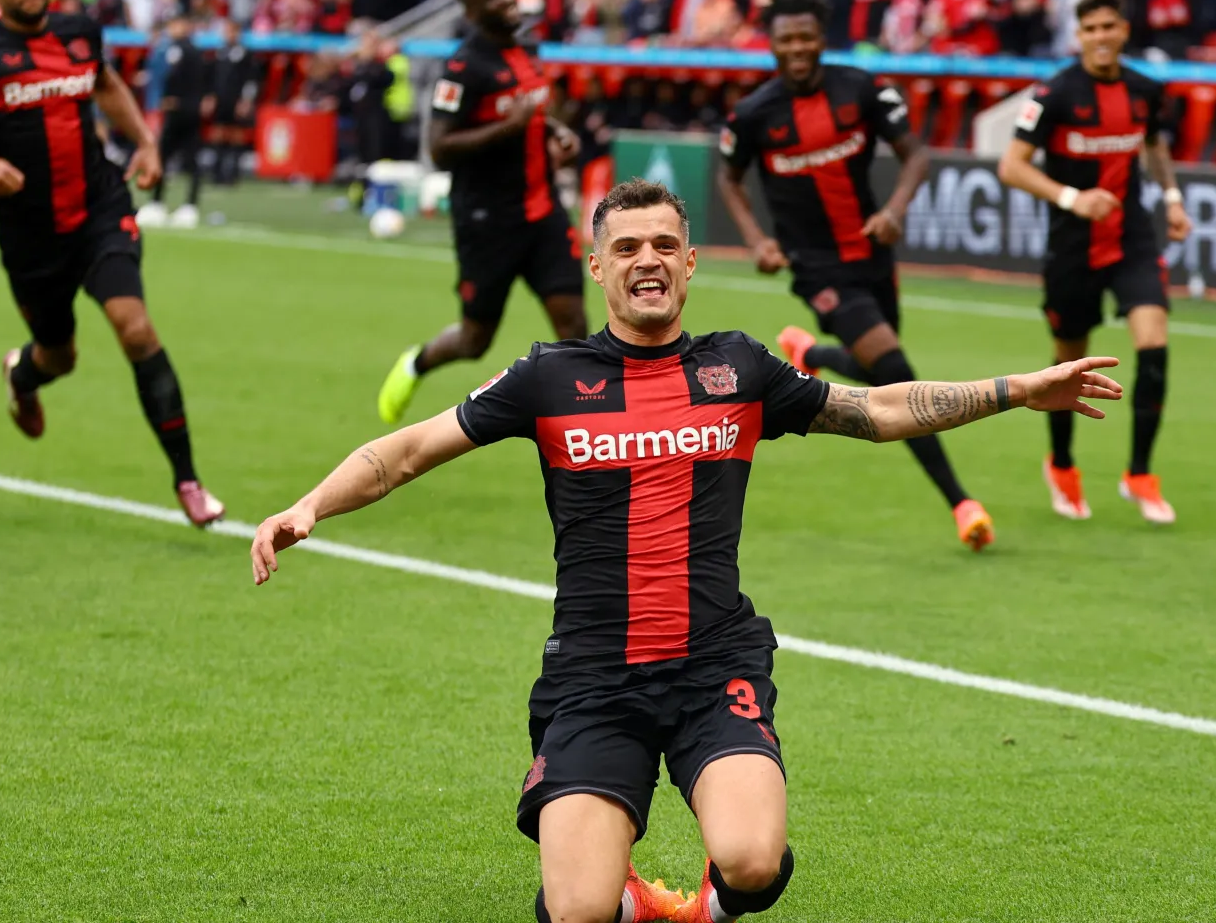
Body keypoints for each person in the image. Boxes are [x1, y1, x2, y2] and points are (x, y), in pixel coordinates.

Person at [249, 179, 1124, 923]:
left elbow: (879, 411)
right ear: (598, 268)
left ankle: (701, 908)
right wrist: (309, 506)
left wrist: (1017, 390)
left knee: (751, 860)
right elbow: (402, 452)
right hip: (593, 673)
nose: (647, 261)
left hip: (714, 662)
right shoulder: (547, 379)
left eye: (665, 244)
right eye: (626, 247)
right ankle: (618, 890)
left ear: (690, 262)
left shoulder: (740, 369)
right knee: (581, 910)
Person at [0, 0, 225, 528]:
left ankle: (189, 480)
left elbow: (106, 88)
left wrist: (147, 145)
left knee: (136, 328)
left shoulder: (80, 34)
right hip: (29, 235)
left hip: (99, 209)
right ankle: (22, 374)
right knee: (60, 356)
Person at [717, 0, 995, 551]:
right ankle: (962, 503)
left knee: (881, 366)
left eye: (806, 37)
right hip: (816, 268)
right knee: (896, 372)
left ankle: (812, 356)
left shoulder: (860, 87)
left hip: (871, 251)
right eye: (785, 39)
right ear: (771, 44)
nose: (796, 48)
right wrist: (757, 240)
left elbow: (916, 153)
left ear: (821, 39)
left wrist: (894, 211)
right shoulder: (753, 114)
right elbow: (728, 176)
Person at [995, 0, 1192, 525]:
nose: (1101, 36)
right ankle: (1061, 465)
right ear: (1078, 36)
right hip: (1073, 247)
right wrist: (1071, 198)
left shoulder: (1145, 90)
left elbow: (1153, 147)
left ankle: (1140, 475)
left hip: (1131, 237)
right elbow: (1011, 166)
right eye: (1091, 29)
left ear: (1124, 30)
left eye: (1110, 26)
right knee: (1067, 365)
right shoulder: (1055, 92)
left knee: (1154, 346)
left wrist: (1172, 199)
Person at [375, 0, 587, 425]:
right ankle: (416, 362)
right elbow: (441, 148)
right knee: (475, 341)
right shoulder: (463, 69)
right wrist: (503, 129)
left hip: (545, 209)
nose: (506, 1)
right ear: (472, 14)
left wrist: (554, 133)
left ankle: (583, 430)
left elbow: (532, 111)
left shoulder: (528, 48)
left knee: (573, 323)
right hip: (488, 221)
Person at [137, 13, 207, 229]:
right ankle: (190, 205)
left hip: (178, 109)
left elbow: (172, 76)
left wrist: (170, 99)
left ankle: (157, 203)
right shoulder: (197, 51)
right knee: (191, 158)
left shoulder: (176, 49)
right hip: (192, 109)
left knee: (164, 156)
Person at [206, 17, 260, 185]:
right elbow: (212, 77)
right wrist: (210, 96)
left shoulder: (246, 54)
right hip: (220, 99)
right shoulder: (220, 52)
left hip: (236, 100)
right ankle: (216, 171)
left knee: (236, 134)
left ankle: (233, 172)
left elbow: (252, 80)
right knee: (219, 132)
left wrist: (246, 100)